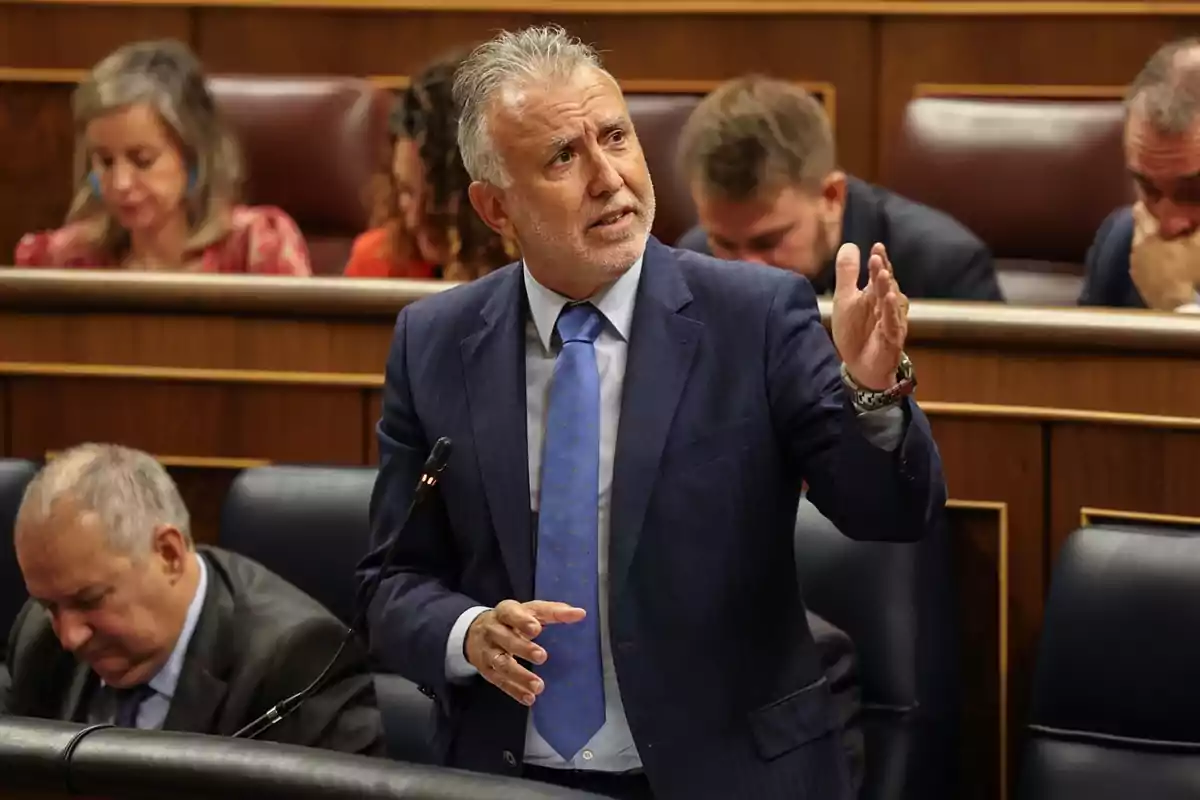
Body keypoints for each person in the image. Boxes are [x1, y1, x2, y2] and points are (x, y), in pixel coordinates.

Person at [359, 25, 945, 800]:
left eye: (616, 137)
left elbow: (894, 512)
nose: (608, 178)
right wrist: (467, 635)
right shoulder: (433, 342)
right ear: (495, 207)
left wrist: (869, 390)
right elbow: (389, 583)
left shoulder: (754, 315)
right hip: (508, 777)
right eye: (564, 157)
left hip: (729, 776)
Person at [4, 444, 382, 755]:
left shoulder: (297, 661)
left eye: (89, 600)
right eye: (49, 606)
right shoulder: (40, 638)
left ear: (168, 554)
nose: (70, 636)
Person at [674, 75, 1002, 302]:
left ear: (831, 196)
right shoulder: (690, 263)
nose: (743, 270)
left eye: (768, 241)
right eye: (724, 243)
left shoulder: (943, 268)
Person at [15, 39, 311, 275]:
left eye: (142, 160)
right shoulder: (64, 258)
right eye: (105, 161)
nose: (120, 183)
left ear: (193, 155)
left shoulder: (256, 247)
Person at [344, 50, 515, 281]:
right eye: (406, 191)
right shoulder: (376, 264)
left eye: (438, 200)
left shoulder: (549, 273)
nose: (415, 219)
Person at [1079, 37, 1200, 310]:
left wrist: (1180, 309)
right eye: (1149, 189)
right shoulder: (1122, 245)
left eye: (1194, 193)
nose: (1167, 225)